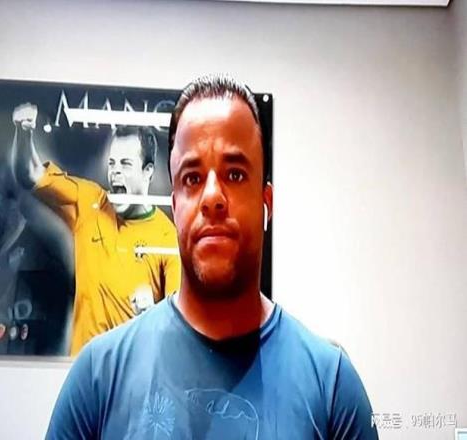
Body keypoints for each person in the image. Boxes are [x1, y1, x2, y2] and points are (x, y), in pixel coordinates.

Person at [45, 74, 379, 439]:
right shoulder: (97, 377)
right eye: (192, 178)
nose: (212, 197)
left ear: (266, 204)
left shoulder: (331, 387)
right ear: (175, 207)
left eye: (235, 174)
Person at [11, 105, 181, 355]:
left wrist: (152, 315)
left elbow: (177, 333)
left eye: (125, 164)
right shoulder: (90, 201)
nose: (115, 172)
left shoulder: (167, 238)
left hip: (130, 371)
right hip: (82, 368)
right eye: (112, 163)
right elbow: (29, 173)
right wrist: (23, 132)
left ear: (148, 172)